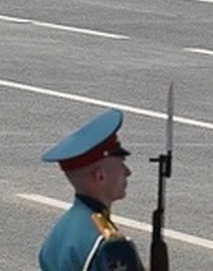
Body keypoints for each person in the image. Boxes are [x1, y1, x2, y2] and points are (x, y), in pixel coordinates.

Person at [38, 108, 142, 271]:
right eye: (121, 164)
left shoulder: (58, 233)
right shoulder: (111, 246)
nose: (128, 172)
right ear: (100, 176)